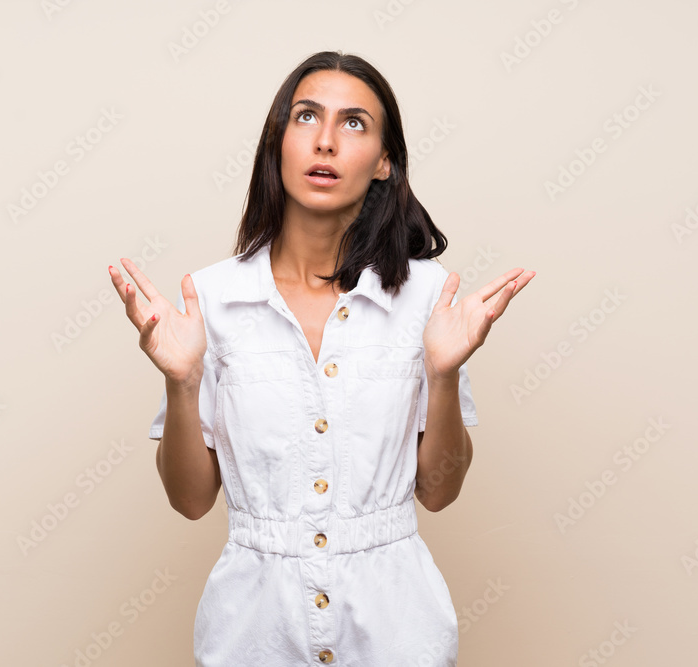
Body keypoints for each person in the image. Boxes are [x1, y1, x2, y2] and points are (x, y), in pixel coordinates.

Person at [108, 50, 534, 666]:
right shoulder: (212, 299)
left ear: (384, 161)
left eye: (354, 123)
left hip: (397, 633)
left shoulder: (427, 298)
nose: (326, 141)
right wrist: (182, 382)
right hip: (252, 635)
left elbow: (438, 493)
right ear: (277, 143)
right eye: (306, 116)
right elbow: (191, 501)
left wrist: (442, 376)